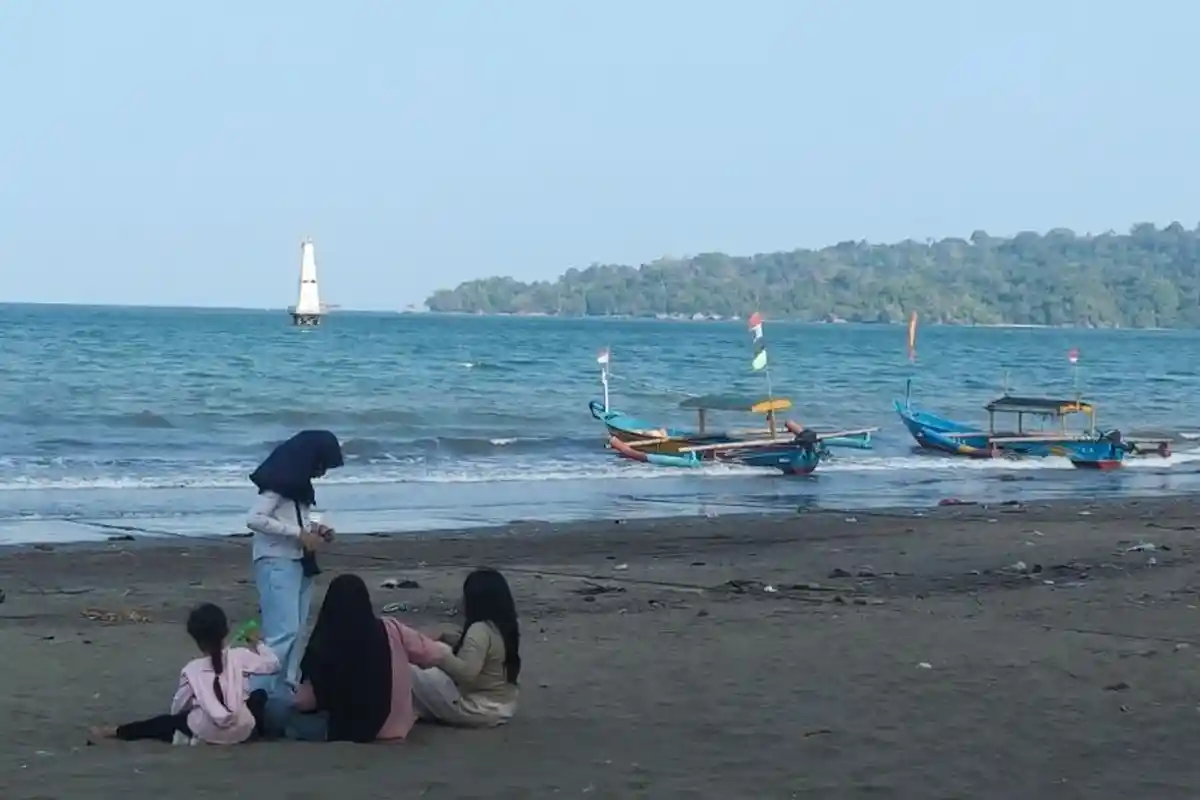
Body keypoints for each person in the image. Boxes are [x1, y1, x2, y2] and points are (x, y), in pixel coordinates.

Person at [265, 573, 449, 743]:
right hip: (395, 726)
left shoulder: (325, 643)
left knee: (274, 708)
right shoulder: (391, 629)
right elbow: (433, 654)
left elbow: (306, 702)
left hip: (343, 730)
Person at [90, 603, 279, 745]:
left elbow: (177, 709)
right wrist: (257, 644)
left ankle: (116, 731)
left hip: (207, 731)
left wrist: (197, 703)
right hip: (243, 730)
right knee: (259, 696)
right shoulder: (240, 656)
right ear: (225, 631)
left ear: (195, 638)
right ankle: (258, 733)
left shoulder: (192, 669)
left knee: (164, 722)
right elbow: (273, 665)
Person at [245, 429, 343, 697]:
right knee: (282, 632)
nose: (322, 472)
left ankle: (285, 690)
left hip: (299, 562)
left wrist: (315, 529)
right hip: (277, 561)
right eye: (322, 464)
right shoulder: (276, 485)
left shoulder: (297, 486)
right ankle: (255, 693)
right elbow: (255, 518)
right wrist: (299, 534)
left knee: (297, 631)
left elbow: (291, 520)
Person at [410, 568, 521, 727]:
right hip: (503, 706)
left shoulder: (479, 629)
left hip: (477, 708)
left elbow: (466, 674)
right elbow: (486, 654)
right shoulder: (502, 627)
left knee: (409, 670)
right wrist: (452, 639)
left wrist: (440, 653)